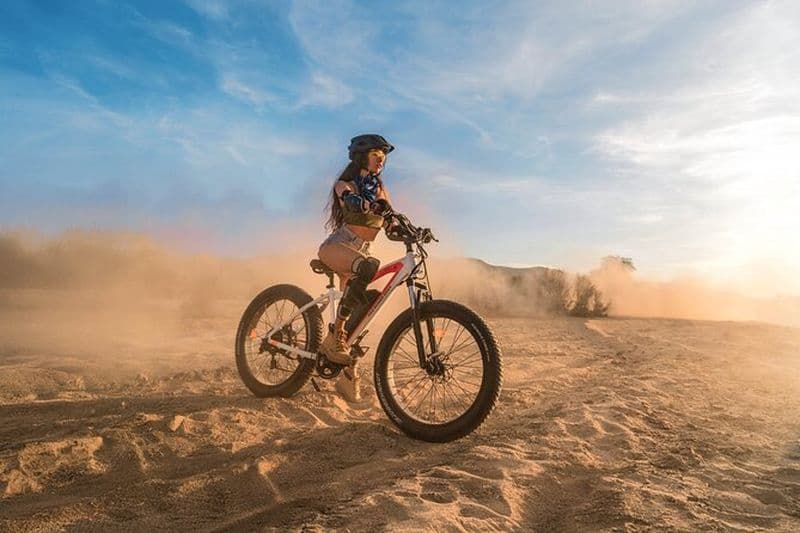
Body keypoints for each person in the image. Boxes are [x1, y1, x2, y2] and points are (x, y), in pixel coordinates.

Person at [317, 134, 395, 367]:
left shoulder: (379, 187)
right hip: (338, 246)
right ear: (362, 158)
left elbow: (390, 217)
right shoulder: (345, 184)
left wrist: (409, 229)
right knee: (369, 266)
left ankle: (343, 364)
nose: (381, 160)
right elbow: (350, 199)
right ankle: (335, 335)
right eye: (375, 155)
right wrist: (367, 204)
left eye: (383, 157)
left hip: (360, 250)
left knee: (368, 304)